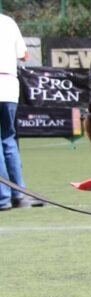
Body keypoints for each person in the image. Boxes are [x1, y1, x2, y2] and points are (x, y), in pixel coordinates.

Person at [0, 13, 42, 210]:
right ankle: (19, 193)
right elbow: (24, 55)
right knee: (8, 139)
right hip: (9, 85)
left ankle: (3, 197)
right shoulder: (8, 21)